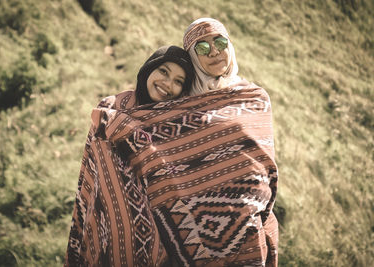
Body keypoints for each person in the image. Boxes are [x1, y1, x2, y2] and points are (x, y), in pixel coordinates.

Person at [149, 17, 279, 267]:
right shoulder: (179, 102)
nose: (214, 51)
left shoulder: (255, 98)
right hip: (187, 233)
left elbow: (264, 161)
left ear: (229, 44)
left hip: (249, 225)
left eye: (219, 41)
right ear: (193, 57)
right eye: (202, 47)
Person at [64, 45, 195, 267]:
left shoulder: (176, 127)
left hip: (157, 246)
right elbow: (93, 170)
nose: (167, 84)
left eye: (178, 81)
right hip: (106, 228)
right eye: (164, 72)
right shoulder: (112, 108)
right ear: (149, 69)